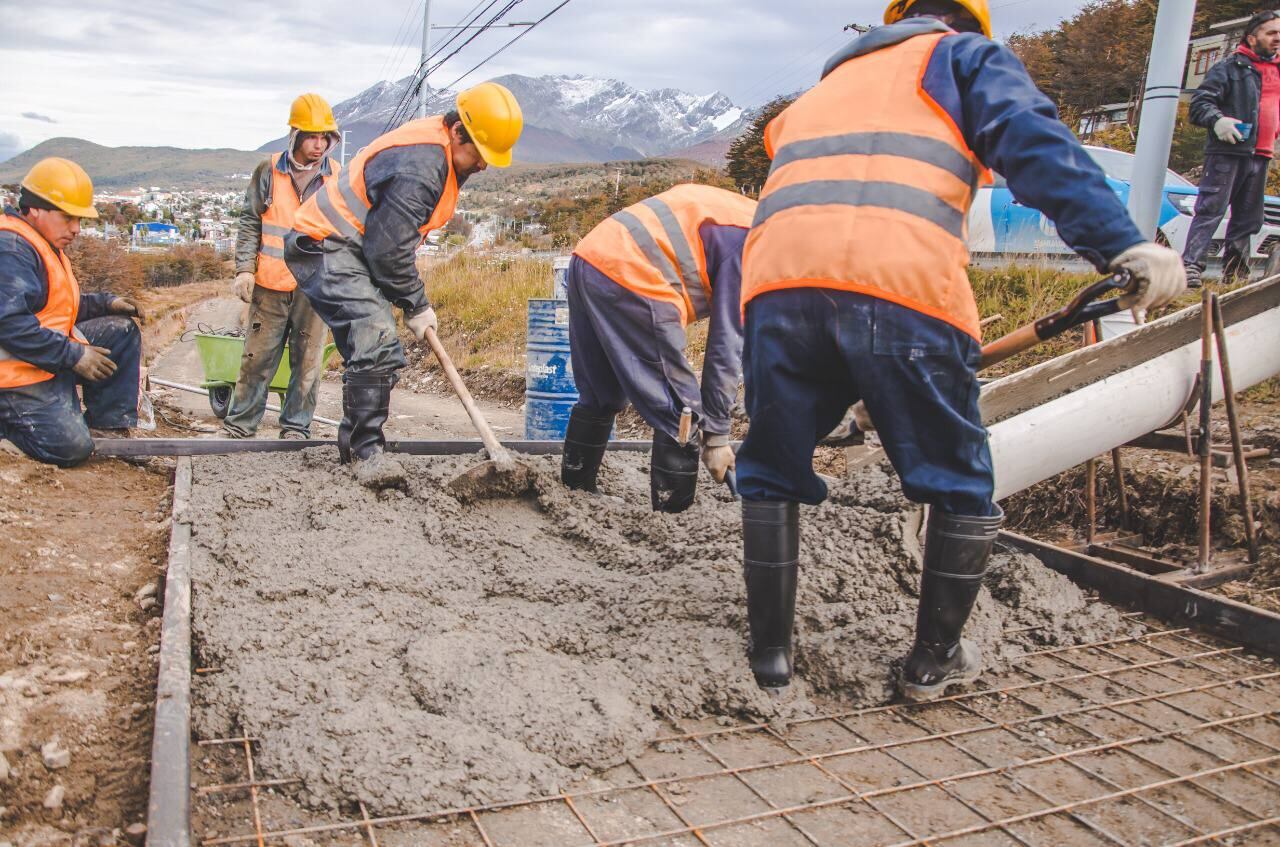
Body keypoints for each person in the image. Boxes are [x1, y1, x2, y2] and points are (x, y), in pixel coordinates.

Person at [735, 0, 1186, 700]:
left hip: (776, 289)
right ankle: (930, 663)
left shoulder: (823, 90)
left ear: (899, 17)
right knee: (957, 477)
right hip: (899, 285)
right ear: (966, 23)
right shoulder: (963, 58)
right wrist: (1120, 240)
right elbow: (1029, 140)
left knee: (769, 466)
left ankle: (771, 661)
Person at [286, 81, 522, 484]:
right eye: (479, 154)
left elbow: (387, 244)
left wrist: (412, 300)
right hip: (325, 245)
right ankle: (366, 455)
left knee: (374, 348)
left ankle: (357, 446)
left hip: (347, 247)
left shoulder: (440, 149)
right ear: (457, 131)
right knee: (377, 340)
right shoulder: (421, 167)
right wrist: (416, 303)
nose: (483, 165)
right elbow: (387, 252)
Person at [561, 184, 756, 511]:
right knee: (680, 409)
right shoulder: (757, 244)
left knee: (600, 391)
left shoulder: (748, 217)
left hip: (588, 258)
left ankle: (574, 492)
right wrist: (717, 436)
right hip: (634, 272)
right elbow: (725, 347)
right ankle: (673, 519)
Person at [0, 158, 145, 467]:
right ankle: (9, 433)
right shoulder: (11, 249)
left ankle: (108, 426)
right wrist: (74, 356)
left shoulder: (41, 242)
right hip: (13, 379)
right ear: (36, 209)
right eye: (68, 218)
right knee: (71, 448)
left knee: (120, 331)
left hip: (43, 357)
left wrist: (106, 303)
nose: (76, 229)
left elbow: (54, 306)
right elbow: (9, 325)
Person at [223, 93, 342, 440]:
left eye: (325, 138)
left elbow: (346, 229)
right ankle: (241, 426)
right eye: (312, 137)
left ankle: (295, 428)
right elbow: (250, 221)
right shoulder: (268, 171)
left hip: (315, 288)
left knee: (307, 364)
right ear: (295, 135)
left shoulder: (336, 176)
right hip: (271, 285)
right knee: (257, 360)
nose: (319, 145)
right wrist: (245, 268)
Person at [1184, 10, 1280, 288]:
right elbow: (1200, 104)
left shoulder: (1276, 71)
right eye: (1271, 33)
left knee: (1249, 218)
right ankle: (1191, 265)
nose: (1277, 38)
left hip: (1261, 155)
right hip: (1228, 152)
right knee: (1211, 209)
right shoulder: (1229, 67)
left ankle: (1235, 272)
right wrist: (1218, 120)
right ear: (1252, 37)